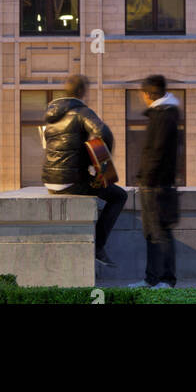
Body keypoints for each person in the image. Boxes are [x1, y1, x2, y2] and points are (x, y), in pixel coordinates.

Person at [41, 73, 126, 268]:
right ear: (82, 92)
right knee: (119, 196)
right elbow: (103, 133)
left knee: (99, 186)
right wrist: (101, 167)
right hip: (72, 181)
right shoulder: (81, 111)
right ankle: (98, 246)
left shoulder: (52, 115)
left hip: (49, 180)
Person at [135, 74, 180, 289]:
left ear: (148, 94)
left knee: (160, 232)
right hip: (153, 184)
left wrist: (147, 179)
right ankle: (151, 278)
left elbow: (157, 151)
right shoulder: (162, 114)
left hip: (156, 185)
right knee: (152, 233)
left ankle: (165, 279)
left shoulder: (164, 115)